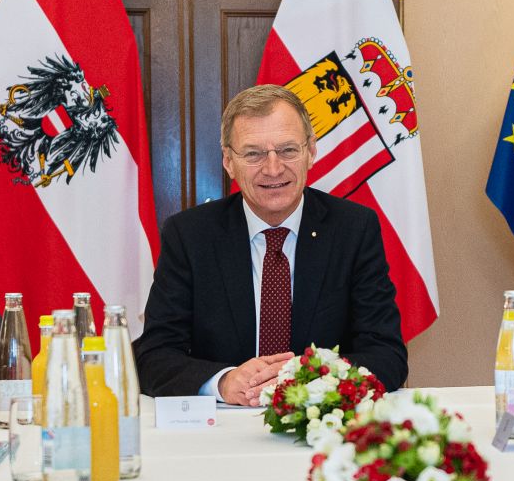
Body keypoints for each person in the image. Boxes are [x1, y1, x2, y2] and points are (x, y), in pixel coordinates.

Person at [134, 84, 408, 404]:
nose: (273, 168)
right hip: (223, 429)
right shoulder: (189, 235)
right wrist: (222, 382)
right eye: (254, 153)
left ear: (310, 152)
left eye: (288, 150)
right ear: (228, 161)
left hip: (321, 426)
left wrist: (310, 380)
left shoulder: (354, 229)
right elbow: (154, 357)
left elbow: (387, 355)